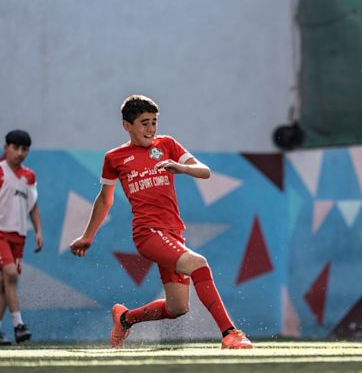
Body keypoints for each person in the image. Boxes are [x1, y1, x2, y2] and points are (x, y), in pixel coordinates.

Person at [70, 95, 253, 349]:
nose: (151, 128)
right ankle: (230, 334)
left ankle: (125, 319)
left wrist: (182, 167)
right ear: (127, 126)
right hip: (148, 234)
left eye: (154, 122)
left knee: (178, 307)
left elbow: (205, 171)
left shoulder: (166, 144)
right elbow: (104, 200)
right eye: (144, 123)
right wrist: (88, 235)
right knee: (199, 264)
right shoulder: (114, 158)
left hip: (173, 233)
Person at [0, 130, 43, 345]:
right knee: (10, 274)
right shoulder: (0, 171)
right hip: (0, 234)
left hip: (19, 235)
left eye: (24, 149)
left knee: (4, 283)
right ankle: (19, 325)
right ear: (6, 147)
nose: (19, 153)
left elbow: (32, 205)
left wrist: (38, 231)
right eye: (15, 147)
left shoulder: (29, 176)